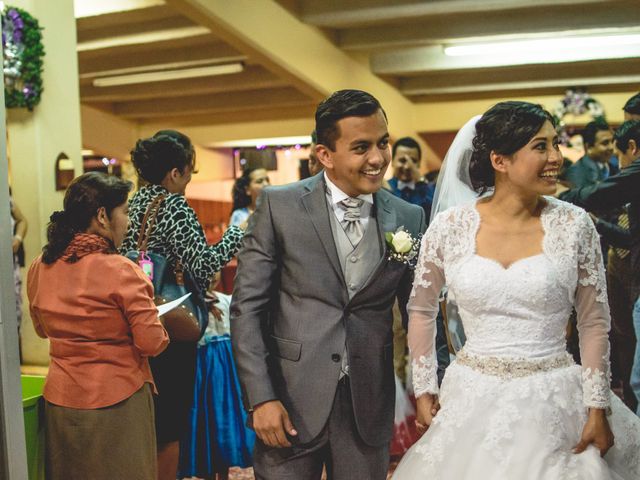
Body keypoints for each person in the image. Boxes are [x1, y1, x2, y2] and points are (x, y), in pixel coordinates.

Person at [393, 102, 640, 479]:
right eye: (541, 147)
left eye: (555, 144)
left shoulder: (574, 225)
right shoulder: (449, 226)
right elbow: (422, 309)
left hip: (555, 400)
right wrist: (426, 389)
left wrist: (597, 406)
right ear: (500, 160)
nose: (556, 157)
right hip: (470, 398)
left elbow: (593, 322)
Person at [231, 89, 425, 480]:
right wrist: (261, 398)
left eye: (383, 143)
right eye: (361, 147)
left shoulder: (408, 215)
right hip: (290, 400)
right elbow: (246, 308)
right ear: (325, 154)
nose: (378, 158)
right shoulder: (279, 205)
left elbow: (420, 311)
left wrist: (430, 383)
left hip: (368, 401)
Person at [26, 172, 169, 480]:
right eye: (126, 212)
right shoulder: (122, 271)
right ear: (103, 216)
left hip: (61, 401)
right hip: (118, 400)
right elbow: (152, 343)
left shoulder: (41, 265)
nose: (128, 221)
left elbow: (41, 329)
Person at [120, 129, 244, 480]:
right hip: (170, 325)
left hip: (135, 319)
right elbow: (204, 266)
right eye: (190, 173)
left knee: (150, 417)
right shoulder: (174, 206)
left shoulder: (134, 203)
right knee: (171, 422)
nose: (189, 182)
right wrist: (238, 234)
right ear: (175, 172)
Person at [561, 119, 640, 415]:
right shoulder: (579, 170)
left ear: (631, 148)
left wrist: (560, 199)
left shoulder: (634, 169)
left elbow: (600, 195)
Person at [179, 276, 255, 480]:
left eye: (215, 271)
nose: (211, 276)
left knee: (225, 422)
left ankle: (223, 470)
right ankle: (206, 470)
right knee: (206, 421)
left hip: (227, 373)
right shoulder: (189, 302)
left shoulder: (227, 299)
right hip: (203, 371)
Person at [387, 136, 435, 221]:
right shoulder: (385, 188)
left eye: (413, 161)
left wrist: (420, 181)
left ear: (419, 163)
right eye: (402, 160)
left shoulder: (429, 191)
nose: (407, 166)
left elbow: (434, 214)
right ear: (393, 161)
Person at [563, 120, 617, 189]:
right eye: (605, 143)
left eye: (612, 141)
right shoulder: (576, 171)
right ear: (588, 147)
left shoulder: (615, 167)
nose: (611, 147)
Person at [9, 189, 27, 333]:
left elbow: (22, 220)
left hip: (9, 263)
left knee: (14, 311)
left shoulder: (7, 201)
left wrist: (18, 239)